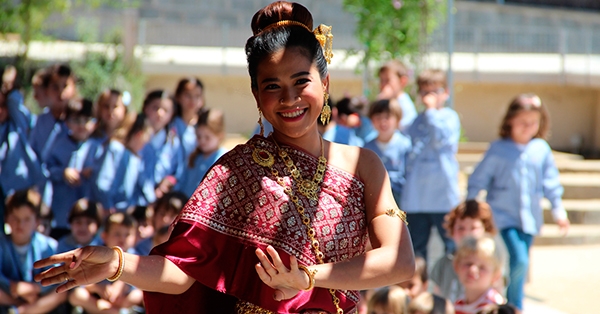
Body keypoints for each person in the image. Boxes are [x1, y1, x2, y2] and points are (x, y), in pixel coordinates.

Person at [34, 2, 415, 313]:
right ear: (256, 95)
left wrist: (311, 277)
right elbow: (184, 271)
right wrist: (117, 264)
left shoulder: (365, 165)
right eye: (272, 86)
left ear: (325, 83)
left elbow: (399, 262)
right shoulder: (237, 171)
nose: (289, 99)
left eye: (301, 81)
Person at [465, 93, 569, 311]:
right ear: (510, 120)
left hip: (529, 219)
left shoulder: (541, 149)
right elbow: (478, 178)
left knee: (520, 264)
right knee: (518, 260)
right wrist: (471, 203)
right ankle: (514, 306)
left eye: (533, 123)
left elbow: (550, 183)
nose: (527, 127)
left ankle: (507, 301)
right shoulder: (498, 148)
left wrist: (559, 210)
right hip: (502, 217)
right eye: (522, 122)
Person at [401, 69, 461, 261]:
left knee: (451, 247)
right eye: (425, 92)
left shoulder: (449, 117)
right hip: (417, 199)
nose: (430, 97)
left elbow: (440, 139)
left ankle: (450, 289)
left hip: (443, 196)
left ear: (446, 93)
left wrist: (431, 112)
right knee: (417, 250)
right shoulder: (417, 120)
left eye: (435, 91)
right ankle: (419, 288)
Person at [0, 189, 67, 313]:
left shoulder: (49, 245)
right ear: (6, 219)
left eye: (26, 219)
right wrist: (14, 287)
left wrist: (35, 288)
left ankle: (20, 311)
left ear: (36, 222)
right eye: (15, 218)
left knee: (61, 292)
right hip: (9, 295)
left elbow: (57, 275)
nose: (20, 224)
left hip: (38, 296)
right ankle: (19, 307)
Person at [68, 212, 143, 314]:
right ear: (104, 236)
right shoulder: (96, 254)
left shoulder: (136, 258)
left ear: (134, 237)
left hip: (122, 303)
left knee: (139, 294)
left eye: (127, 235)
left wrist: (122, 286)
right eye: (117, 234)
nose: (122, 239)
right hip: (98, 302)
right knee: (77, 294)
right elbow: (81, 283)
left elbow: (140, 285)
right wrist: (97, 288)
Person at [46, 98, 100, 239]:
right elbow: (47, 169)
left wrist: (92, 172)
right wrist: (63, 173)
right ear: (67, 122)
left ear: (94, 123)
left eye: (86, 120)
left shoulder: (97, 147)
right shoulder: (58, 144)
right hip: (61, 215)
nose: (81, 125)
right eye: (76, 120)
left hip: (87, 218)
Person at [430, 200, 498, 302]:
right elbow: (436, 297)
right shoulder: (444, 263)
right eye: (461, 228)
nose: (466, 234)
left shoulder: (492, 263)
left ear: (486, 229)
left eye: (473, 228)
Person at [91, 113, 156, 213]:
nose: (144, 145)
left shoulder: (135, 158)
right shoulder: (115, 148)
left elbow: (144, 185)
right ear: (139, 135)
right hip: (108, 211)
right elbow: (103, 182)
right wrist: (107, 205)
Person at [0, 89, 44, 232]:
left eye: (2, 105)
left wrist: (8, 84)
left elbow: (14, 101)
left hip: (17, 193)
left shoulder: (17, 127)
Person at [364, 98, 411, 207]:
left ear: (397, 120)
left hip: (401, 197)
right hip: (375, 196)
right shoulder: (367, 147)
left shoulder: (404, 144)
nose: (383, 122)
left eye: (387, 117)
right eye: (378, 117)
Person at [177, 108, 228, 197]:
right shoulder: (194, 157)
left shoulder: (223, 160)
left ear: (220, 136)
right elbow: (182, 182)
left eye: (207, 137)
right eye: (199, 136)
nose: (202, 141)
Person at [453, 236, 505, 314]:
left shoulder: (495, 307)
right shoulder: (458, 305)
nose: (472, 270)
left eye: (482, 267)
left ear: (495, 275)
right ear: (457, 266)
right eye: (468, 264)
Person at [134, 191, 187, 256]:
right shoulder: (141, 244)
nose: (165, 220)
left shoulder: (182, 255)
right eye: (162, 214)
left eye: (172, 216)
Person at [377, 60, 417, 132]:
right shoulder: (385, 101)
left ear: (402, 81)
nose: (383, 85)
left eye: (387, 80)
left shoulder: (405, 105)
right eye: (381, 80)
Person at [171, 77, 206, 159]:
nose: (192, 100)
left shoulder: (204, 125)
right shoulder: (170, 124)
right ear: (178, 97)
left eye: (197, 96)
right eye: (188, 95)